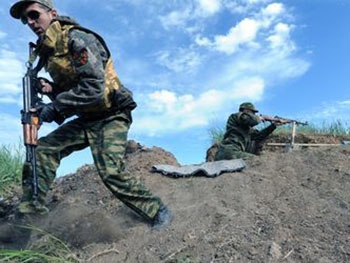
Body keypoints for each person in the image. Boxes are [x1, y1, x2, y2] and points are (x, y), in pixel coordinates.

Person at [9, 0, 171, 228]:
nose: (31, 22)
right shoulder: (49, 50)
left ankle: (157, 211)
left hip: (111, 115)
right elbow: (74, 91)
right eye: (26, 20)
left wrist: (54, 108)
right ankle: (30, 217)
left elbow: (94, 89)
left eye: (34, 15)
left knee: (110, 172)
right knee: (43, 150)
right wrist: (52, 90)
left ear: (52, 13)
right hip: (87, 118)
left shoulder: (78, 38)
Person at [214, 102, 284, 161]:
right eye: (253, 112)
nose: (254, 114)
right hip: (228, 151)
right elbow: (252, 120)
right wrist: (263, 117)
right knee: (256, 160)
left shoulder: (247, 129)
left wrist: (274, 125)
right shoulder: (236, 116)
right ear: (246, 111)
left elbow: (258, 136)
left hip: (230, 153)